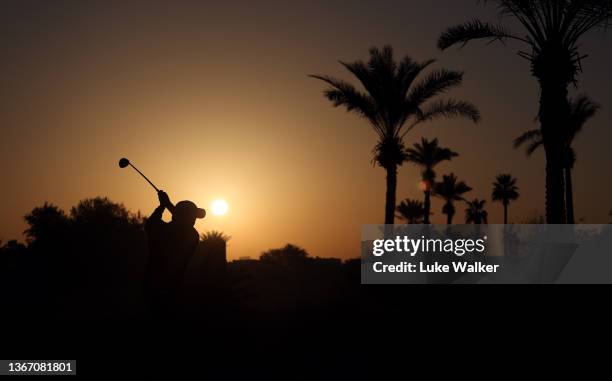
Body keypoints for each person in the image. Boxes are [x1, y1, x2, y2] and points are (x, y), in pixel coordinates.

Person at [144, 190, 206, 318]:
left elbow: (154, 223)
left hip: (151, 286)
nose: (194, 220)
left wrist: (163, 205)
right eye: (193, 217)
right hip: (172, 290)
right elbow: (182, 225)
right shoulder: (192, 236)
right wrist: (167, 204)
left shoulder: (158, 228)